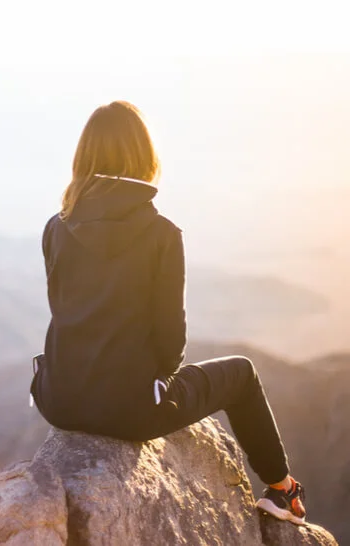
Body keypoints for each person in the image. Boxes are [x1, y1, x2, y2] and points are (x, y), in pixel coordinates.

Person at [29, 100, 307, 525]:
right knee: (243, 373)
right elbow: (171, 345)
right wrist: (155, 382)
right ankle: (281, 489)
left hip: (58, 399)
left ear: (83, 157)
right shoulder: (161, 234)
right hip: (130, 411)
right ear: (144, 157)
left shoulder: (56, 225)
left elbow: (62, 310)